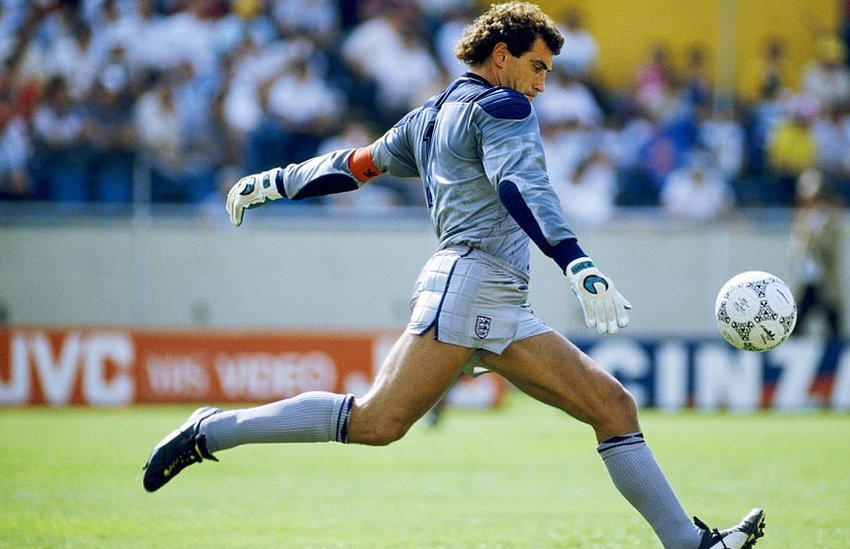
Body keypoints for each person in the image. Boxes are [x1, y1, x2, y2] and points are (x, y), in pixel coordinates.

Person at [142, 4, 765, 549]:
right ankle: (212, 429)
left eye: (548, 72)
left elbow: (355, 165)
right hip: (472, 287)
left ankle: (689, 543)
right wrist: (574, 259)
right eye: (538, 66)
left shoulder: (432, 115)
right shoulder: (503, 105)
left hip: (492, 296)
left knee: (612, 406)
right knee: (377, 422)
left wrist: (276, 182)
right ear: (502, 56)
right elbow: (520, 184)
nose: (542, 83)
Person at [788, 168, 845, 338]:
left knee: (834, 330)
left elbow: (831, 248)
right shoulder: (802, 216)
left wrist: (812, 236)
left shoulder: (831, 218)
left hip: (825, 282)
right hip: (807, 281)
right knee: (795, 326)